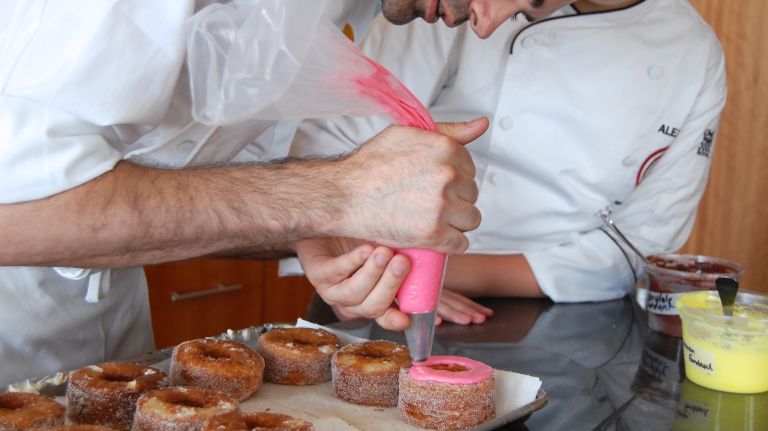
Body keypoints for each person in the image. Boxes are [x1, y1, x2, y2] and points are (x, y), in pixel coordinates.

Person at [0, 0, 490, 386]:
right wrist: (333, 195)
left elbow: (187, 189)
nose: (487, 24)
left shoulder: (337, 13)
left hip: (111, 328)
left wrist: (313, 229)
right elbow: (15, 208)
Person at [291, 0, 727, 326]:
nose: (486, 25)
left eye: (531, 8)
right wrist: (381, 272)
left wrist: (430, 272)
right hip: (380, 290)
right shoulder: (444, 7)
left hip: (569, 317)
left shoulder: (692, 52)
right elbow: (333, 151)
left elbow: (639, 246)